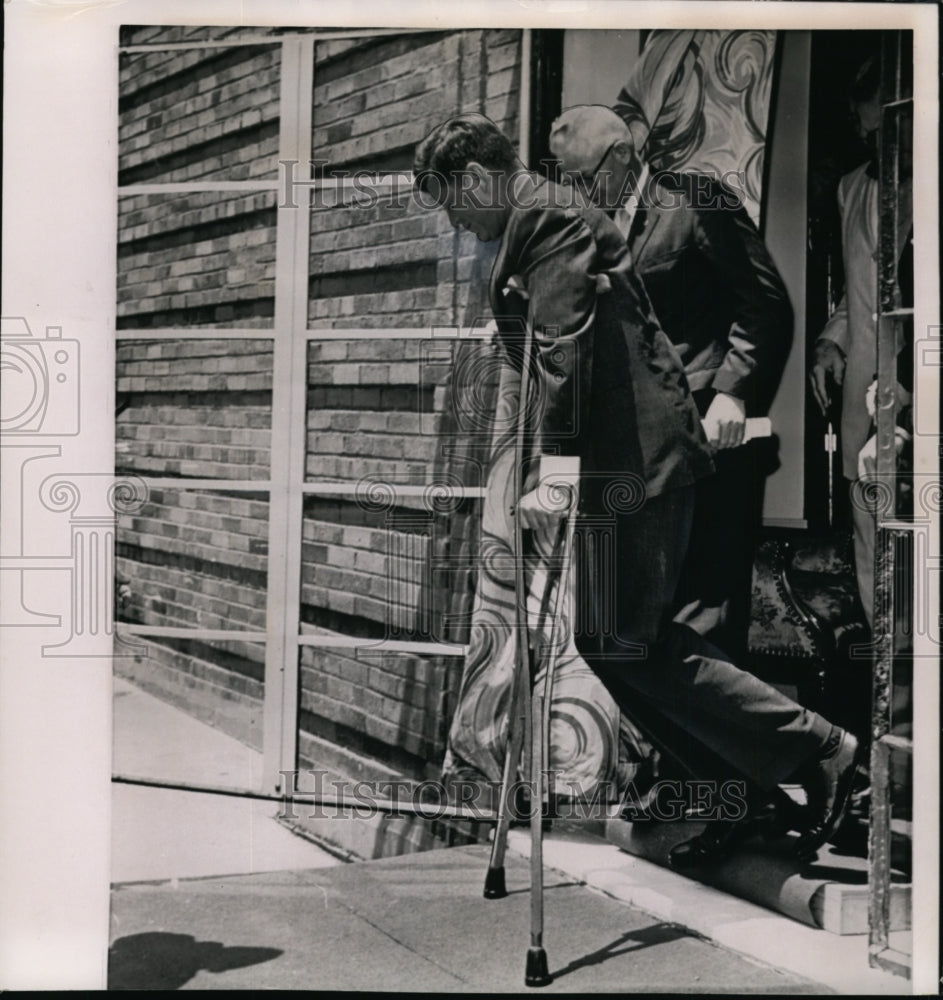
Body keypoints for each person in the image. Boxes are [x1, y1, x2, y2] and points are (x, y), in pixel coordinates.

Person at [414, 113, 860, 866]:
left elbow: (563, 347)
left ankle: (820, 749)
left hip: (638, 458)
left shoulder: (545, 217)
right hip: (614, 461)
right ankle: (740, 784)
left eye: (451, 199)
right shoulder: (530, 222)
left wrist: (552, 472)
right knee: (612, 639)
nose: (454, 220)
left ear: (479, 178)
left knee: (631, 636)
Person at [548, 104, 792, 662]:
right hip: (639, 451)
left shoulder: (695, 200)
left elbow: (764, 304)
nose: (577, 193)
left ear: (624, 154)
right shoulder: (584, 235)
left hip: (711, 440)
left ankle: (770, 747)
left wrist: (734, 390)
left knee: (703, 620)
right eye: (566, 181)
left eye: (583, 178)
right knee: (634, 627)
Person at [809, 57, 913, 626]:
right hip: (862, 404)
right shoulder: (851, 189)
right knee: (872, 544)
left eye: (890, 130)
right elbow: (857, 295)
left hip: (919, 397)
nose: (880, 143)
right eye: (869, 132)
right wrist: (831, 342)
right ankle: (887, 695)